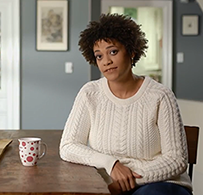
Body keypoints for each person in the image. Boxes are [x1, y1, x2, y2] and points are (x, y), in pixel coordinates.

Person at [59, 13, 192, 195]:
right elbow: (68, 146)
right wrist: (110, 164)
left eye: (113, 51)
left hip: (159, 184)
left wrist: (126, 180)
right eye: (99, 56)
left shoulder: (160, 96)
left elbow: (176, 160)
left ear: (131, 51)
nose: (106, 61)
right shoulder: (90, 93)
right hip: (108, 184)